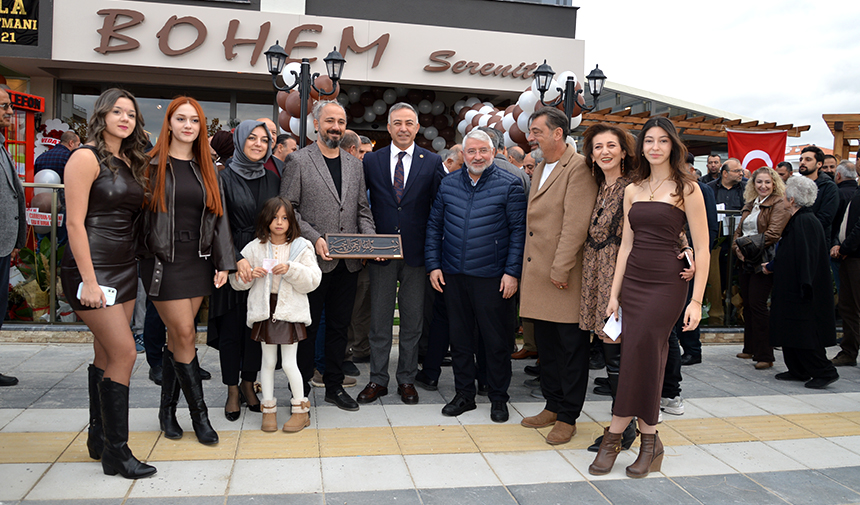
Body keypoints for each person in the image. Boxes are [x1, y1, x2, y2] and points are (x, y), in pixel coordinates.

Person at [590, 116, 709, 478]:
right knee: (638, 357)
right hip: (634, 282)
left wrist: (696, 301)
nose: (655, 147)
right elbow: (625, 245)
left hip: (667, 284)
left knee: (642, 354)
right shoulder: (633, 189)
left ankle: (615, 436)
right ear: (641, 148)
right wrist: (614, 295)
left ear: (673, 146)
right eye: (649, 141)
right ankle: (649, 442)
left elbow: (703, 248)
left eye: (663, 140)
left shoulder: (688, 188)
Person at [60, 88, 155, 478]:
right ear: (102, 115)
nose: (125, 119)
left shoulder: (130, 160)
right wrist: (89, 280)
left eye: (130, 114)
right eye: (117, 111)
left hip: (124, 267)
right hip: (92, 268)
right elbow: (73, 223)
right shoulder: (84, 157)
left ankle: (98, 438)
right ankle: (118, 452)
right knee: (126, 353)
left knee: (106, 353)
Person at [141, 96, 235, 446]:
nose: (187, 125)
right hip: (162, 260)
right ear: (168, 123)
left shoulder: (207, 168)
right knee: (184, 333)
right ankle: (200, 416)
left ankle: (166, 411)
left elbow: (219, 217)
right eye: (181, 119)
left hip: (198, 259)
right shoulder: (150, 166)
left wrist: (224, 262)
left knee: (177, 338)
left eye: (194, 120)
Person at [426, 128, 526, 423]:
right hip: (453, 275)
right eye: (471, 151)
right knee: (459, 340)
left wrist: (512, 272)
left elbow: (519, 233)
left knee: (496, 342)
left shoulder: (510, 184)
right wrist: (434, 265)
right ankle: (464, 395)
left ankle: (498, 397)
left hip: (493, 277)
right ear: (463, 154)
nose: (477, 156)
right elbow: (434, 226)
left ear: (493, 152)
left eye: (483, 150)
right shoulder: (448, 184)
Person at [281, 100, 375, 412]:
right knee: (307, 329)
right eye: (330, 121)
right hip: (312, 261)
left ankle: (334, 386)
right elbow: (288, 209)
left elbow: (362, 210)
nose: (336, 127)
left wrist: (369, 242)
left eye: (341, 122)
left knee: (339, 327)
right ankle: (301, 389)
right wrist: (315, 238)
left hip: (348, 264)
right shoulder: (298, 160)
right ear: (316, 124)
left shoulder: (355, 164)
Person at [518, 107, 597, 445]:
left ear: (558, 133)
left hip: (562, 277)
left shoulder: (578, 168)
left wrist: (560, 268)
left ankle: (568, 416)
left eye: (536, 131)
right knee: (547, 349)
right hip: (538, 274)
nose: (531, 137)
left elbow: (575, 224)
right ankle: (552, 405)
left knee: (570, 351)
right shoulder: (541, 167)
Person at [359, 102, 444, 405]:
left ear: (417, 127)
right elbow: (362, 204)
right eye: (397, 123)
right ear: (389, 127)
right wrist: (369, 243)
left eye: (409, 123)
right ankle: (377, 379)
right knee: (379, 322)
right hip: (381, 255)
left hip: (417, 256)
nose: (403, 128)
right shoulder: (372, 160)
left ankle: (406, 378)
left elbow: (439, 208)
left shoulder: (432, 161)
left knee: (412, 322)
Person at [208, 120, 281, 421]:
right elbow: (217, 223)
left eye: (264, 140)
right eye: (252, 138)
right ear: (239, 141)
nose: (258, 144)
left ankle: (249, 384)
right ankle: (232, 390)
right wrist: (235, 258)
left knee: (256, 327)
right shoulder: (222, 177)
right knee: (231, 329)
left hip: (263, 261)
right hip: (232, 258)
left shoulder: (273, 179)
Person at [230, 197, 321, 432]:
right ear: (266, 219)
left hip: (290, 312)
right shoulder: (254, 247)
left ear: (291, 221)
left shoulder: (302, 246)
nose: (279, 223)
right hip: (265, 310)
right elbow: (235, 281)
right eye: (274, 217)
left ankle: (300, 410)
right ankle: (268, 411)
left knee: (290, 363)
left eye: (284, 218)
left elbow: (313, 280)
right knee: (267, 362)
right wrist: (249, 274)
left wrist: (291, 269)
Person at [578, 123, 639, 451]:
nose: (604, 152)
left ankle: (624, 428)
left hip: (620, 277)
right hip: (595, 274)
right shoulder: (599, 186)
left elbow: (656, 223)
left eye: (611, 145)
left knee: (618, 354)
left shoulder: (633, 187)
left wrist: (684, 249)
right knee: (610, 351)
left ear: (624, 151)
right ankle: (625, 424)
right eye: (598, 147)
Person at [768, 176, 839, 389]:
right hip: (793, 286)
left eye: (784, 195)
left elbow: (806, 256)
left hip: (801, 289)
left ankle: (824, 371)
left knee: (805, 332)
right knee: (791, 329)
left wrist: (804, 285)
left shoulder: (805, 221)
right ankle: (798, 370)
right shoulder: (801, 219)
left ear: (791, 200)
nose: (782, 198)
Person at [732, 167, 789, 370]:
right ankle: (750, 348)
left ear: (774, 184)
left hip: (763, 259)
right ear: (753, 184)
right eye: (759, 182)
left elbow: (773, 234)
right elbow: (738, 232)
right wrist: (737, 249)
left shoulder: (779, 203)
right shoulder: (751, 204)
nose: (763, 186)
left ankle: (765, 354)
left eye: (767, 182)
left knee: (758, 305)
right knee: (747, 304)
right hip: (745, 259)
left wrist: (744, 247)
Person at [0, 88, 25, 387]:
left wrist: (17, 241)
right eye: (4, 106)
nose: (10, 112)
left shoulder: (3, 146)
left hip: (4, 245)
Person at [799, 145, 839, 241]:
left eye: (808, 159)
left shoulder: (829, 187)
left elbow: (825, 217)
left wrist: (801, 229)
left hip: (816, 240)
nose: (803, 162)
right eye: (801, 159)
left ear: (819, 164)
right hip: (794, 238)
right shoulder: (796, 185)